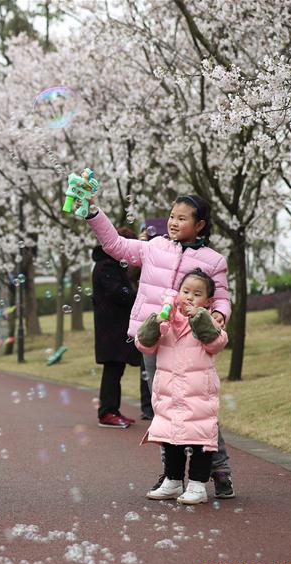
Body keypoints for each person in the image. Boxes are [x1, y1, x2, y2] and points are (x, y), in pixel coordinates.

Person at [82, 193, 235, 499]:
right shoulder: (154, 248)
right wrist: (94, 213)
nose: (174, 222)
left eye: (183, 218)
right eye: (172, 216)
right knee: (163, 405)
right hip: (157, 337)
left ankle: (219, 469)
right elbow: (116, 245)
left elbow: (221, 297)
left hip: (192, 341)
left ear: (200, 224)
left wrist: (217, 316)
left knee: (197, 403)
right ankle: (172, 473)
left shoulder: (214, 261)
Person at [138, 269, 228, 504]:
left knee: (200, 440)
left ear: (208, 302)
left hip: (198, 394)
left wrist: (198, 317)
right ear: (176, 294)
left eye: (197, 294)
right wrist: (155, 323)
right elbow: (143, 344)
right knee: (170, 439)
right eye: (185, 291)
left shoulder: (207, 322)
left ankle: (198, 485)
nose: (189, 297)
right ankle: (173, 481)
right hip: (169, 392)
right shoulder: (166, 321)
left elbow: (217, 342)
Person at [92, 227, 150, 428]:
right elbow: (120, 293)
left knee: (116, 370)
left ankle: (112, 410)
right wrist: (143, 298)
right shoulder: (106, 266)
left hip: (114, 329)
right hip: (111, 329)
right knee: (112, 370)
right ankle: (107, 412)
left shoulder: (112, 264)